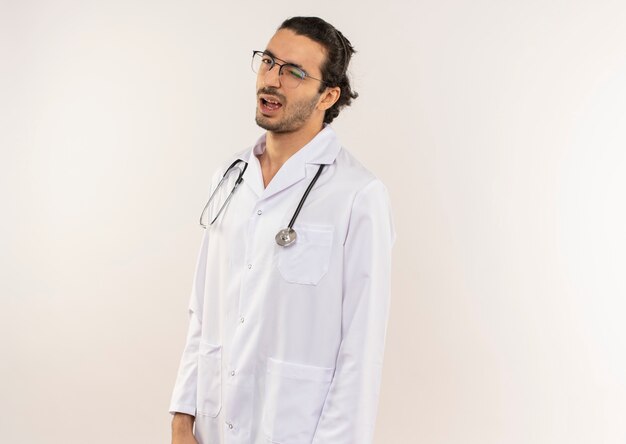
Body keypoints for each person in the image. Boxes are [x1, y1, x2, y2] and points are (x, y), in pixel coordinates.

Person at [169, 16, 395, 444]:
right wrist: (183, 416)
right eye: (268, 62)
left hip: (295, 430)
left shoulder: (358, 194)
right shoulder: (230, 176)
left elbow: (361, 352)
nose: (272, 79)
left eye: (294, 72)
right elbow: (202, 309)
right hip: (212, 427)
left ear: (328, 95)